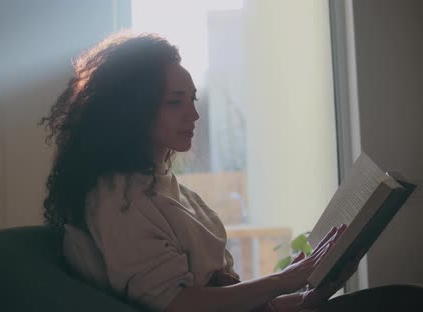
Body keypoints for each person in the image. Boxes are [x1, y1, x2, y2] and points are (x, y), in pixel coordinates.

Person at [39, 32, 422, 312]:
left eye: (192, 99)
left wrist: (312, 292)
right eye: (175, 102)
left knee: (406, 297)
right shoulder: (116, 198)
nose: (193, 115)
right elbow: (179, 304)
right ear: (131, 111)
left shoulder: (169, 188)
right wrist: (283, 279)